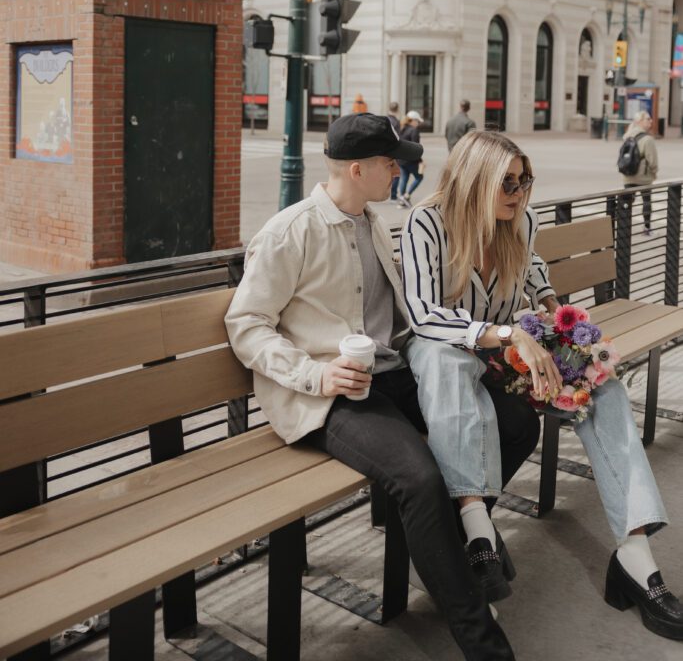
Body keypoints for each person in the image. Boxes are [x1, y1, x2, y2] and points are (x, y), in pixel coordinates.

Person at [226, 113, 517, 661]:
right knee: (420, 480)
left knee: (507, 418)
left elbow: (400, 318)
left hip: (389, 373)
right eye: (391, 163)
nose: (400, 170)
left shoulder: (375, 221)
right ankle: (482, 637)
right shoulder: (291, 232)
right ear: (358, 169)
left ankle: (450, 552)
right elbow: (245, 326)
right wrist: (316, 374)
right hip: (331, 396)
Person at [401, 129, 683, 640]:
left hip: (512, 354)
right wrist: (502, 333)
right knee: (446, 360)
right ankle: (478, 534)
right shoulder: (428, 221)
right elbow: (422, 315)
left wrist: (553, 308)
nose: (518, 190)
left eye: (525, 179)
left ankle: (636, 556)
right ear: (476, 178)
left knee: (604, 387)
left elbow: (530, 267)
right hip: (449, 348)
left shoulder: (521, 221)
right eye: (507, 181)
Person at [621, 111, 658, 235]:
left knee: (628, 202)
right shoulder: (648, 139)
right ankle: (647, 228)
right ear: (640, 122)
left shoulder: (627, 136)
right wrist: (654, 173)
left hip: (628, 175)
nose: (650, 121)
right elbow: (652, 161)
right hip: (643, 176)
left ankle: (624, 228)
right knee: (646, 201)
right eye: (648, 119)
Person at [397, 110, 424, 208]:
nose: (418, 123)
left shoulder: (402, 128)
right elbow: (416, 147)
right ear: (413, 120)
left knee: (404, 178)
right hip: (411, 160)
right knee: (419, 177)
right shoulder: (414, 130)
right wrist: (420, 160)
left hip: (401, 159)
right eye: (417, 121)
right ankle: (406, 195)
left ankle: (401, 200)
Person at [387, 102, 401, 200]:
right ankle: (393, 195)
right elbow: (397, 138)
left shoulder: (386, 120)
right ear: (397, 109)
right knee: (396, 173)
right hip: (394, 150)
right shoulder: (396, 122)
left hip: (385, 150)